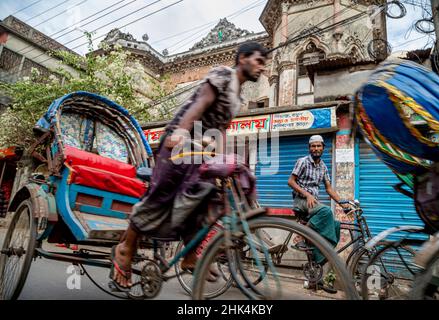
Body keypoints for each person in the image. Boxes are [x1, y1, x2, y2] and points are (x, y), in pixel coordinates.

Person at [110, 42, 267, 291]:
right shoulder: (223, 75)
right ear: (243, 58)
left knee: (205, 200)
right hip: (180, 142)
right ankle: (126, 248)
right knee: (160, 197)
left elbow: (221, 130)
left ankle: (190, 255)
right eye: (259, 60)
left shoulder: (237, 97)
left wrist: (222, 159)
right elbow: (200, 103)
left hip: (201, 152)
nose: (262, 67)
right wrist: (181, 131)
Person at [287, 135, 349, 293]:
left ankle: (316, 274)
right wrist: (306, 194)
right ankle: (301, 235)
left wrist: (343, 203)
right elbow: (291, 182)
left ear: (323, 148)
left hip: (313, 204)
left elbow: (329, 189)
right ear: (309, 148)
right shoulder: (302, 161)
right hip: (301, 202)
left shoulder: (323, 167)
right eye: (313, 146)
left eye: (318, 146)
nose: (315, 149)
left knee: (335, 226)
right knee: (326, 211)